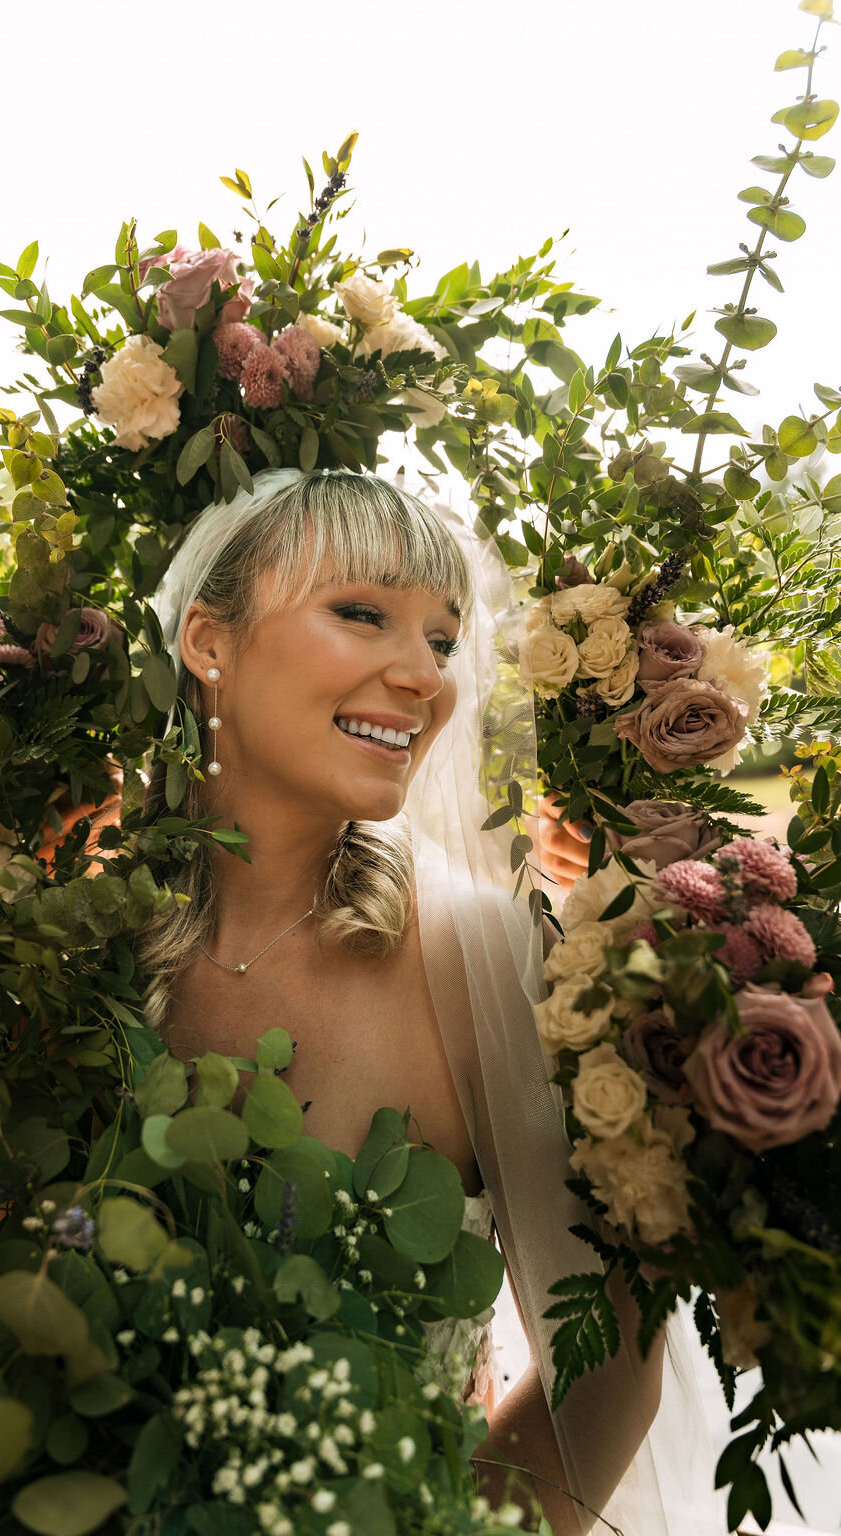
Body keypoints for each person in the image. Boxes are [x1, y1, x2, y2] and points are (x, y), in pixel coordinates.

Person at [140, 468, 721, 1535]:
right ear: (210, 642)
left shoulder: (482, 956)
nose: (424, 677)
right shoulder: (65, 943)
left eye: (444, 640)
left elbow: (608, 1365)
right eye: (363, 614)